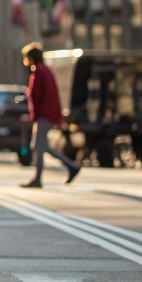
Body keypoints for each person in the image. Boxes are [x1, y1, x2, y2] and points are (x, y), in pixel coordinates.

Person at [20, 42, 81, 188]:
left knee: (38, 148)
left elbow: (38, 97)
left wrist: (36, 118)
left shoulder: (38, 72)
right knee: (43, 147)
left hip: (44, 115)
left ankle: (38, 179)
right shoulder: (44, 70)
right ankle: (71, 167)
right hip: (47, 114)